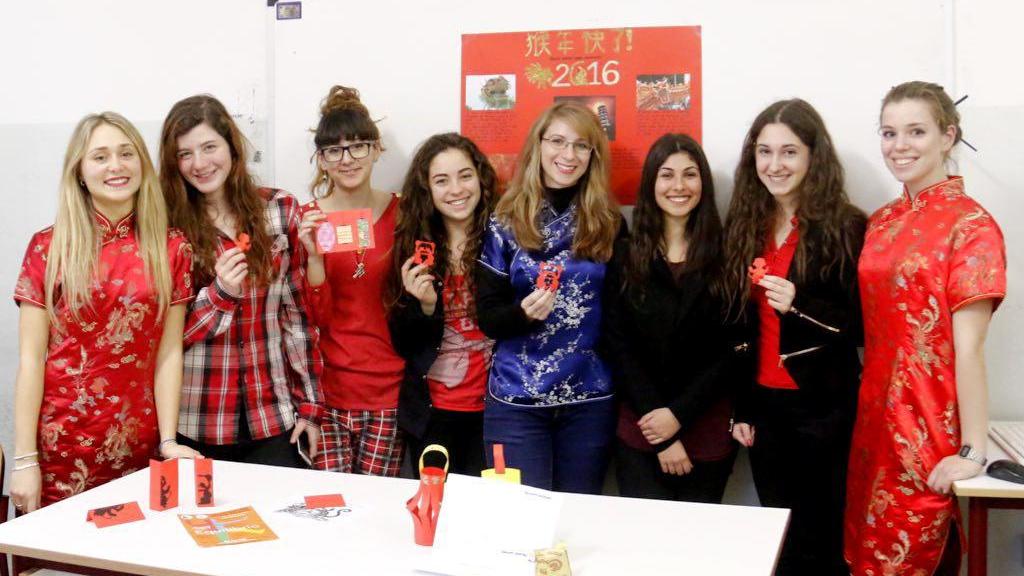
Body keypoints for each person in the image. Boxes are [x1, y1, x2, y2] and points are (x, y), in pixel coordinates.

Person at [844, 81, 1006, 575]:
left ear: (947, 136)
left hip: (929, 428)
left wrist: (973, 450)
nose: (900, 146)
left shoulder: (972, 226)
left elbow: (970, 349)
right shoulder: (882, 221)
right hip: (872, 421)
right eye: (889, 133)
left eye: (916, 131)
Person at [10, 112, 199, 512]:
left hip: (139, 447)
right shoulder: (50, 246)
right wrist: (25, 460)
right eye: (100, 156)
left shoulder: (171, 248)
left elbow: (168, 354)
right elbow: (30, 360)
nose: (116, 165)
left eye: (126, 153)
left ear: (142, 165)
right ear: (80, 171)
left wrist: (168, 440)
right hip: (62, 448)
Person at [723, 99, 866, 575]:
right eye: (765, 152)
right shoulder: (746, 224)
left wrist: (799, 303)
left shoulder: (847, 226)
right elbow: (739, 327)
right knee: (778, 531)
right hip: (766, 406)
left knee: (821, 535)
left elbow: (863, 326)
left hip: (825, 405)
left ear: (812, 156)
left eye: (789, 152)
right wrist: (742, 405)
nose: (775, 165)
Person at [159, 95, 322, 467]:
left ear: (232, 147)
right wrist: (219, 295)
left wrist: (310, 406)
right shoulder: (168, 228)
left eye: (209, 147)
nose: (199, 164)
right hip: (196, 420)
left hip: (274, 416)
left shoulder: (280, 210)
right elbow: (164, 337)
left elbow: (296, 317)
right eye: (184, 154)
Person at [476, 101, 622, 494]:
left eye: (580, 145)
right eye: (557, 141)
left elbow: (621, 314)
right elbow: (487, 317)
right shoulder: (503, 220)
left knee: (578, 517)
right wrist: (522, 314)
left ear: (593, 155)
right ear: (538, 146)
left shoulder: (607, 222)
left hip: (589, 397)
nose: (567, 155)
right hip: (517, 398)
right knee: (521, 521)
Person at [604, 133, 737, 503]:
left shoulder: (727, 254)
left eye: (690, 174)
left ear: (703, 184)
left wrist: (678, 416)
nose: (679, 186)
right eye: (667, 174)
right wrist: (660, 428)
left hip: (706, 424)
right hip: (640, 428)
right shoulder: (626, 254)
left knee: (697, 544)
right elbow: (619, 345)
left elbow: (733, 348)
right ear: (651, 183)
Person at [298, 85, 405, 476]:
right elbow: (315, 316)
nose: (347, 159)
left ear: (377, 150)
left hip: (388, 390)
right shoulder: (310, 220)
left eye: (358, 146)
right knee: (332, 508)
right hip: (326, 391)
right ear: (321, 160)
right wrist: (313, 256)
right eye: (334, 150)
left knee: (376, 511)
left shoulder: (402, 213)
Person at [387, 133, 498, 476]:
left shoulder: (503, 240)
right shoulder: (414, 248)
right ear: (427, 190)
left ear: (480, 177)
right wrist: (426, 306)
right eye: (441, 180)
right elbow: (403, 343)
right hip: (433, 413)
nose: (456, 189)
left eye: (465, 175)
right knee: (437, 514)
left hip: (497, 410)